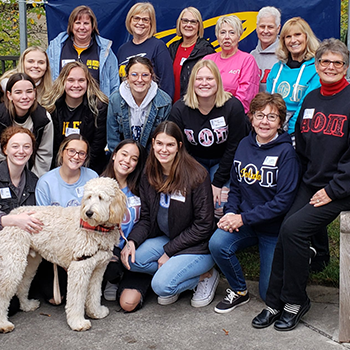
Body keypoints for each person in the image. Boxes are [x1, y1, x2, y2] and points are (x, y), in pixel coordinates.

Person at [252, 38, 350, 331]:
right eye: (325, 61)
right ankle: (274, 302)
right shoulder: (311, 99)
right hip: (312, 182)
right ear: (316, 65)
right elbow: (302, 146)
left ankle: (295, 301)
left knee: (294, 230)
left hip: (341, 188)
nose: (330, 67)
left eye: (337, 62)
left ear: (345, 67)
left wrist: (333, 190)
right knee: (286, 226)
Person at [209, 92, 299, 314]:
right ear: (251, 118)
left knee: (269, 294)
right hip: (246, 222)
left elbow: (283, 202)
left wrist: (242, 217)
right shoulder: (244, 145)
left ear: (280, 122)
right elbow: (237, 187)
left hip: (272, 229)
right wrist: (231, 214)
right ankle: (239, 290)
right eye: (260, 115)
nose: (264, 122)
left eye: (272, 117)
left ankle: (296, 257)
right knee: (217, 243)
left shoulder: (286, 152)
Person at [120, 121, 219, 308]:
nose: (163, 149)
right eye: (159, 144)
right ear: (153, 143)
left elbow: (204, 225)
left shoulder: (196, 175)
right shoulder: (149, 173)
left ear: (179, 147)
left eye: (170, 144)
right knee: (131, 261)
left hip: (197, 246)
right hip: (167, 237)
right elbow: (147, 217)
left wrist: (169, 251)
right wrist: (131, 241)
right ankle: (176, 272)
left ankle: (205, 276)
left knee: (161, 286)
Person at [169, 60, 248, 210]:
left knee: (220, 205)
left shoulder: (233, 106)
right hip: (194, 162)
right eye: (199, 79)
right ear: (192, 82)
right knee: (192, 203)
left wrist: (218, 182)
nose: (204, 83)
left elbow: (235, 147)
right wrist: (196, 177)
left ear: (218, 81)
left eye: (209, 78)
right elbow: (181, 149)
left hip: (224, 162)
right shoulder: (179, 109)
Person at [33, 134, 98, 304]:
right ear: (62, 151)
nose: (76, 156)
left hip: (86, 244)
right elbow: (43, 223)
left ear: (86, 157)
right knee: (56, 299)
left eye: (81, 153)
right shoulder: (45, 182)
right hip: (56, 245)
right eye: (72, 151)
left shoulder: (92, 178)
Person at [102, 140, 152, 312]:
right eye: (124, 154)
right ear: (114, 155)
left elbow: (148, 219)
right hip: (111, 246)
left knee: (128, 304)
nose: (127, 161)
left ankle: (143, 279)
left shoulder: (142, 186)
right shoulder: (100, 184)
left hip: (137, 247)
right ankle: (113, 279)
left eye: (134, 158)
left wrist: (133, 241)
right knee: (112, 268)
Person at [0, 126, 43, 316]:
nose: (21, 151)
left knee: (13, 306)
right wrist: (11, 220)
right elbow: (16, 221)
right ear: (4, 149)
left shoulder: (34, 181)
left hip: (16, 250)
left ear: (32, 150)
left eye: (26, 146)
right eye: (15, 146)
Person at [41, 61, 108, 174]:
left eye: (81, 80)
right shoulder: (51, 107)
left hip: (89, 167)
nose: (76, 85)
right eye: (71, 80)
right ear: (63, 82)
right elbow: (51, 146)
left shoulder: (98, 108)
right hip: (57, 167)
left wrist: (78, 166)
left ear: (88, 82)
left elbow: (97, 146)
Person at [47, 5, 119, 97]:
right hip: (62, 108)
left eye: (86, 23)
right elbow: (46, 80)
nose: (82, 27)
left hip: (96, 108)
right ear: (71, 25)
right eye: (77, 23)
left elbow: (115, 86)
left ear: (93, 26)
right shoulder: (56, 48)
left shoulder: (104, 51)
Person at [266, 17, 320, 134]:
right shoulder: (276, 68)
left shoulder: (316, 69)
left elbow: (306, 105)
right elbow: (267, 100)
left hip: (300, 129)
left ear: (306, 37)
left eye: (297, 34)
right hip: (274, 126)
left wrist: (289, 132)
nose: (293, 40)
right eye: (288, 36)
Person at [107, 56, 172, 152]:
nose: (140, 79)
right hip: (123, 158)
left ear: (151, 77)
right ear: (127, 77)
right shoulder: (115, 99)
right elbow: (113, 140)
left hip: (152, 157)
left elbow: (162, 140)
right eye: (134, 74)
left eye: (145, 75)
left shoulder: (164, 102)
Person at [0, 73, 53, 177]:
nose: (24, 97)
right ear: (9, 95)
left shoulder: (44, 119)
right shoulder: (1, 116)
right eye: (18, 92)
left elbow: (44, 154)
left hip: (32, 171)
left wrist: (33, 180)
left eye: (29, 92)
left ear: (35, 93)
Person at [203, 15, 260, 114]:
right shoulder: (207, 60)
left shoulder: (247, 60)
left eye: (232, 32)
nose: (227, 37)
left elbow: (245, 98)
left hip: (234, 116)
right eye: (223, 32)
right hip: (206, 115)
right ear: (217, 36)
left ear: (239, 36)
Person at [117, 2, 174, 98]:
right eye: (136, 18)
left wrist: (162, 108)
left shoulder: (158, 47)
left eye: (145, 20)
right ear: (130, 20)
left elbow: (167, 83)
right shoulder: (123, 49)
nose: (140, 23)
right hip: (126, 108)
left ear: (151, 24)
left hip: (152, 108)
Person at [168, 7, 215, 102]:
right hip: (172, 107)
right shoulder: (172, 48)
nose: (188, 25)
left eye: (193, 22)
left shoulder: (206, 50)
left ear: (199, 26)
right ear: (179, 23)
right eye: (185, 21)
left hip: (194, 106)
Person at [250, 7, 281, 92]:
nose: (266, 31)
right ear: (256, 28)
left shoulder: (285, 55)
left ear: (278, 29)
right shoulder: (252, 56)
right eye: (262, 26)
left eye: (270, 27)